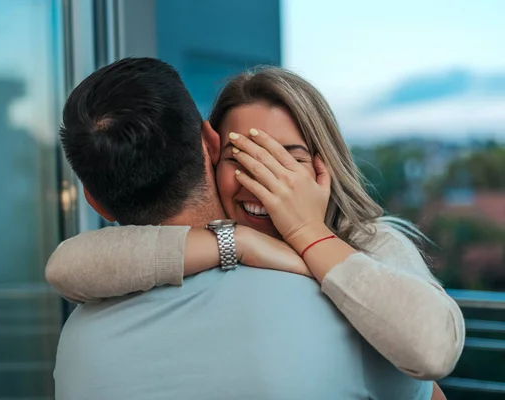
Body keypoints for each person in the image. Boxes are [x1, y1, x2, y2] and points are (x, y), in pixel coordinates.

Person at [48, 61, 465, 382]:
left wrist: (310, 237)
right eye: (241, 157)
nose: (264, 180)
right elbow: (68, 266)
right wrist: (235, 242)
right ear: (211, 155)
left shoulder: (372, 241)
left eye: (289, 158)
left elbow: (433, 352)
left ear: (327, 168)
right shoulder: (212, 239)